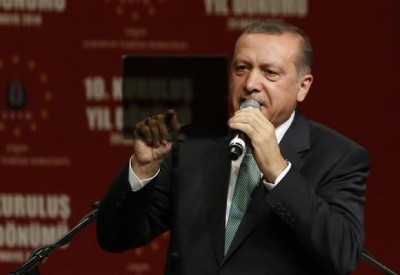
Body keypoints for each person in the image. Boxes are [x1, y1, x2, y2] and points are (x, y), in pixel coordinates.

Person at [96, 20, 370, 275]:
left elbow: (342, 253)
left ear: (303, 86)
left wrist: (278, 171)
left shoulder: (338, 157)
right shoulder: (191, 145)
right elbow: (115, 237)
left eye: (270, 72)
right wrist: (142, 169)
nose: (250, 84)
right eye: (242, 68)